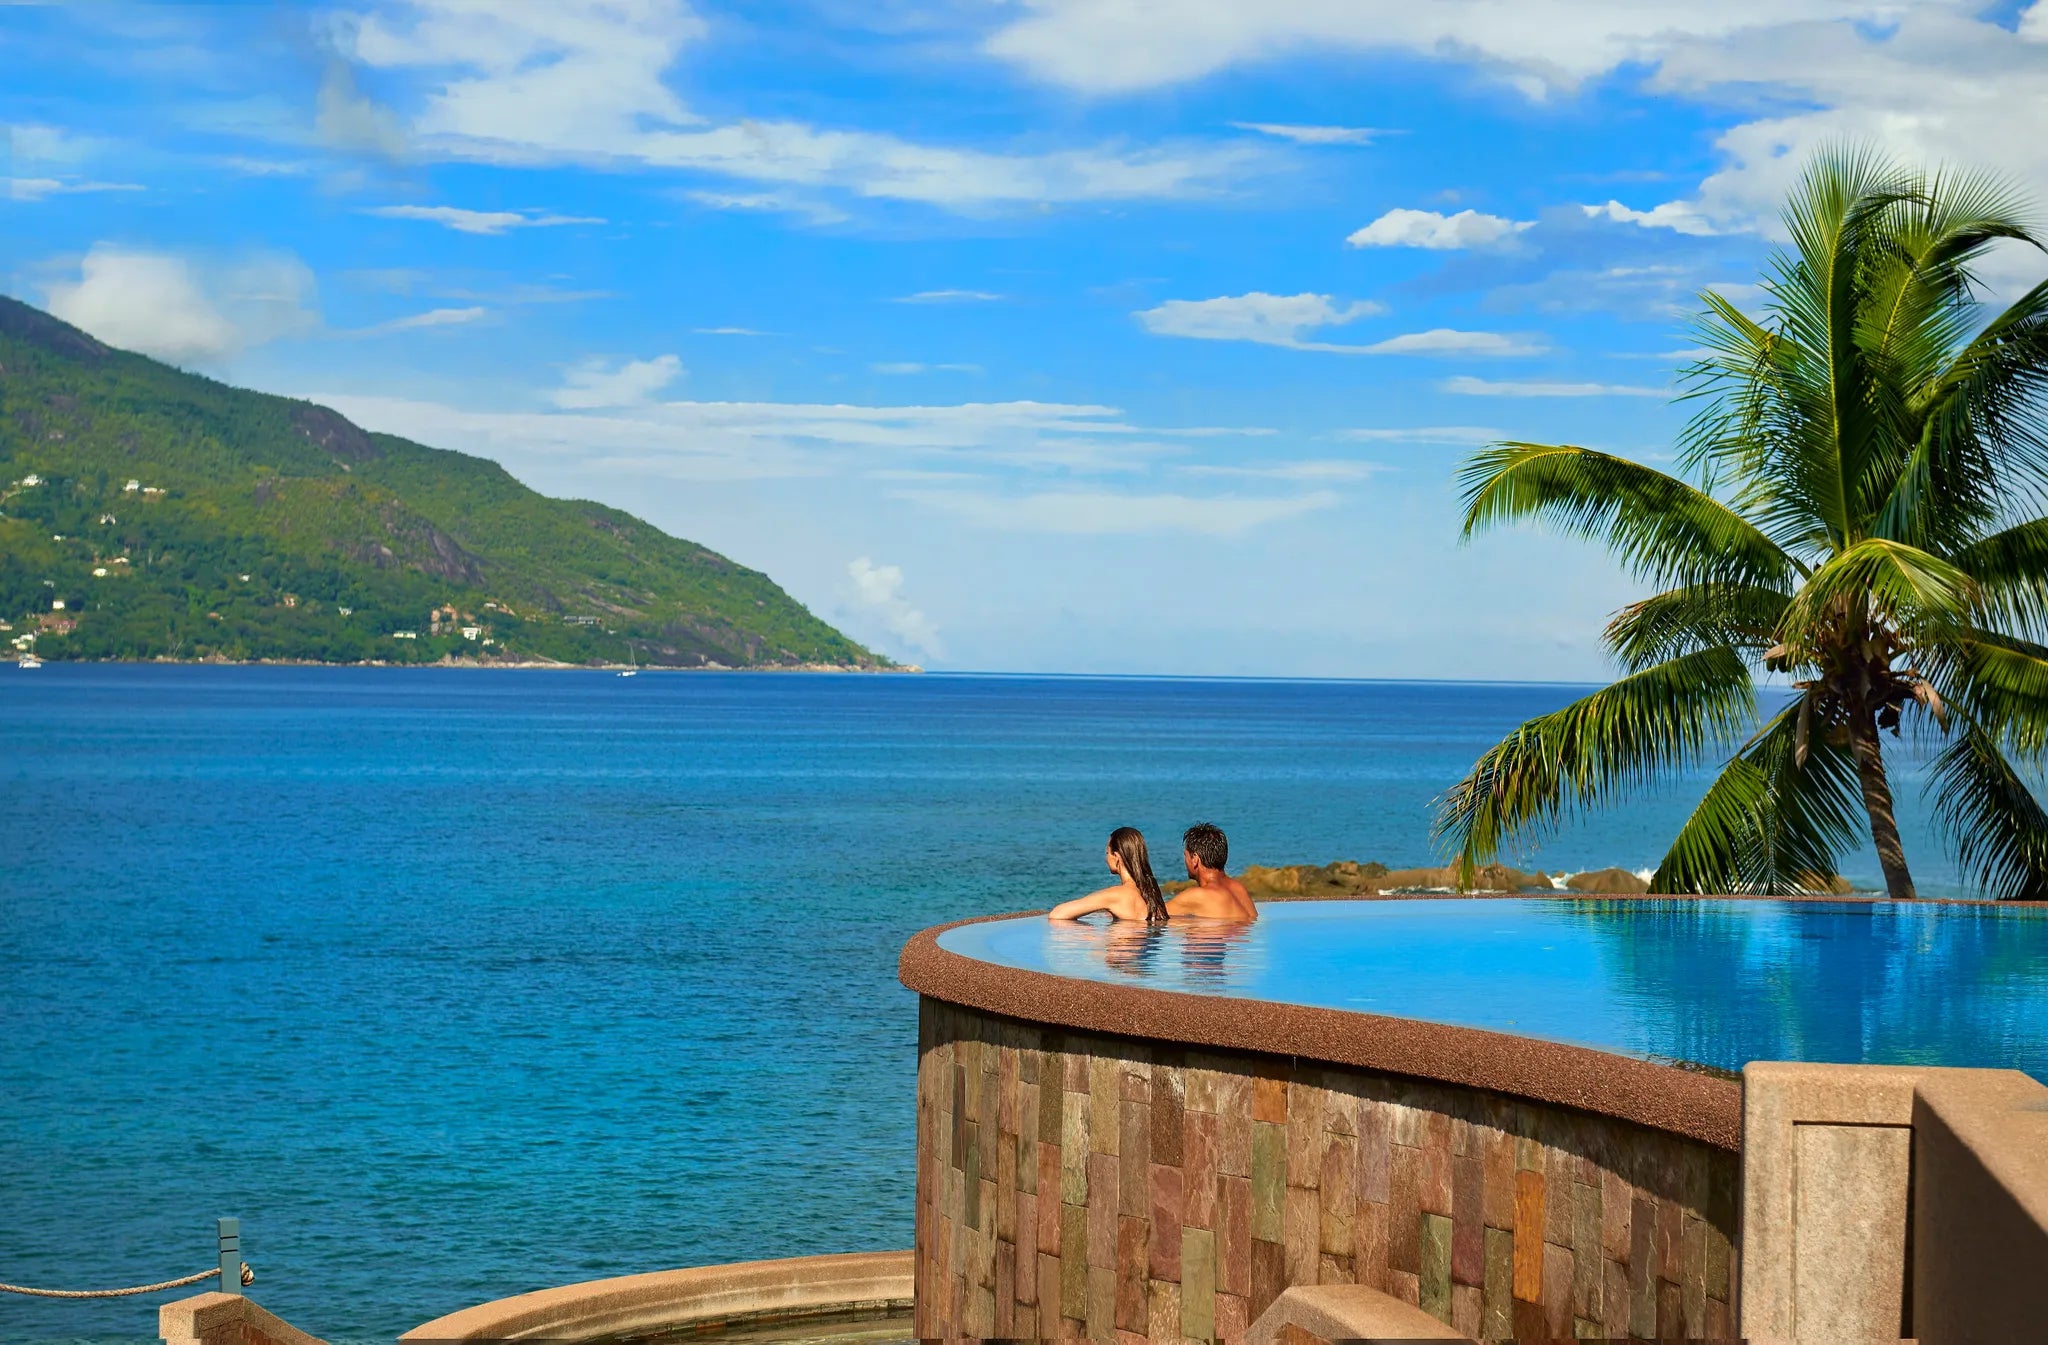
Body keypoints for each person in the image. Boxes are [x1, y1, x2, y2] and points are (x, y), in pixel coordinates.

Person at [1048, 826, 1170, 923]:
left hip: (1124, 952)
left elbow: (1057, 914)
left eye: (1107, 853)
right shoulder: (1151, 893)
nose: (1106, 859)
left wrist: (1083, 931)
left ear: (1117, 857)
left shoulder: (1117, 894)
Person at [1167, 821, 1257, 921]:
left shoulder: (1199, 895)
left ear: (1195, 859)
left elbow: (1150, 915)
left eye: (1186, 855)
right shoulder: (1239, 889)